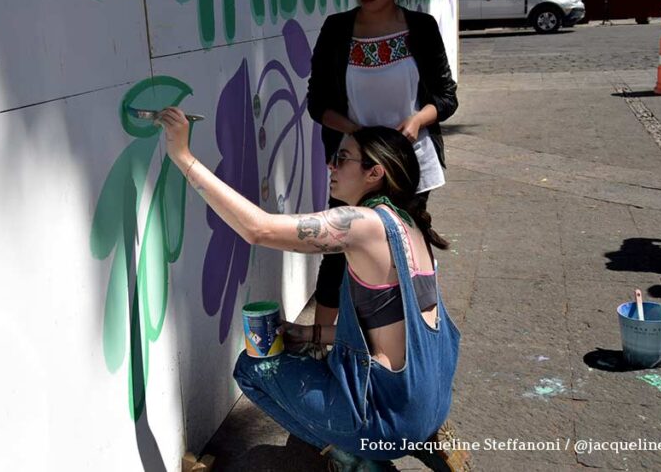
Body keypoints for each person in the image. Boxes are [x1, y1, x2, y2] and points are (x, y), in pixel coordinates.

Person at [155, 107, 463, 470]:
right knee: (314, 363)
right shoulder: (409, 225)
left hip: (389, 413)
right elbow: (390, 327)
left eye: (342, 158)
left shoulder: (364, 224)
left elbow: (260, 229)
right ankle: (422, 441)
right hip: (425, 397)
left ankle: (358, 459)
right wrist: (311, 331)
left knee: (252, 370)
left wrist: (182, 155)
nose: (331, 166)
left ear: (375, 173)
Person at [307, 0, 458, 329]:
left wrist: (416, 121)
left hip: (409, 162)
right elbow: (317, 103)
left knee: (405, 252)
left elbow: (446, 96)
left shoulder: (420, 28)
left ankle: (413, 337)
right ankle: (321, 342)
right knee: (337, 250)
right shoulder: (337, 29)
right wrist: (357, 133)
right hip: (354, 165)